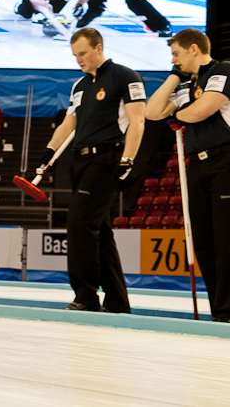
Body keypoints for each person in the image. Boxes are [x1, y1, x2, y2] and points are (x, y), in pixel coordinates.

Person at [144, 28, 230, 324]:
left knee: (228, 239)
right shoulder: (184, 85)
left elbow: (203, 109)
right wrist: (174, 77)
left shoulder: (225, 70)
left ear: (194, 49)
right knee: (204, 241)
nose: (173, 60)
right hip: (198, 166)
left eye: (176, 54)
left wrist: (176, 116)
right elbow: (152, 112)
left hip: (228, 161)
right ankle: (219, 310)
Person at [38, 28, 145, 312]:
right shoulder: (79, 85)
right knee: (101, 230)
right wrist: (48, 152)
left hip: (106, 158)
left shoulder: (125, 76)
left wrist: (128, 160)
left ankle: (86, 295)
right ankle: (118, 300)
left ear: (99, 48)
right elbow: (68, 124)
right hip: (80, 161)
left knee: (79, 222)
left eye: (83, 53)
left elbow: (138, 122)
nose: (79, 60)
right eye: (75, 55)